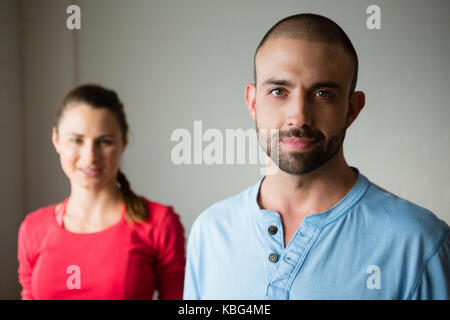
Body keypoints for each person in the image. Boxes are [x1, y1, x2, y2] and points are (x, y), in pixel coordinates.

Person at [183, 13, 450, 299]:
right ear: (252, 101)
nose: (299, 116)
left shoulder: (419, 244)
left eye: (322, 93)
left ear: (352, 108)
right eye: (278, 91)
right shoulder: (210, 233)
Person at [18, 84, 185, 299]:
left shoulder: (159, 223)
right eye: (77, 140)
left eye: (104, 141)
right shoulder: (33, 228)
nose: (90, 156)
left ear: (123, 141)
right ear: (56, 140)